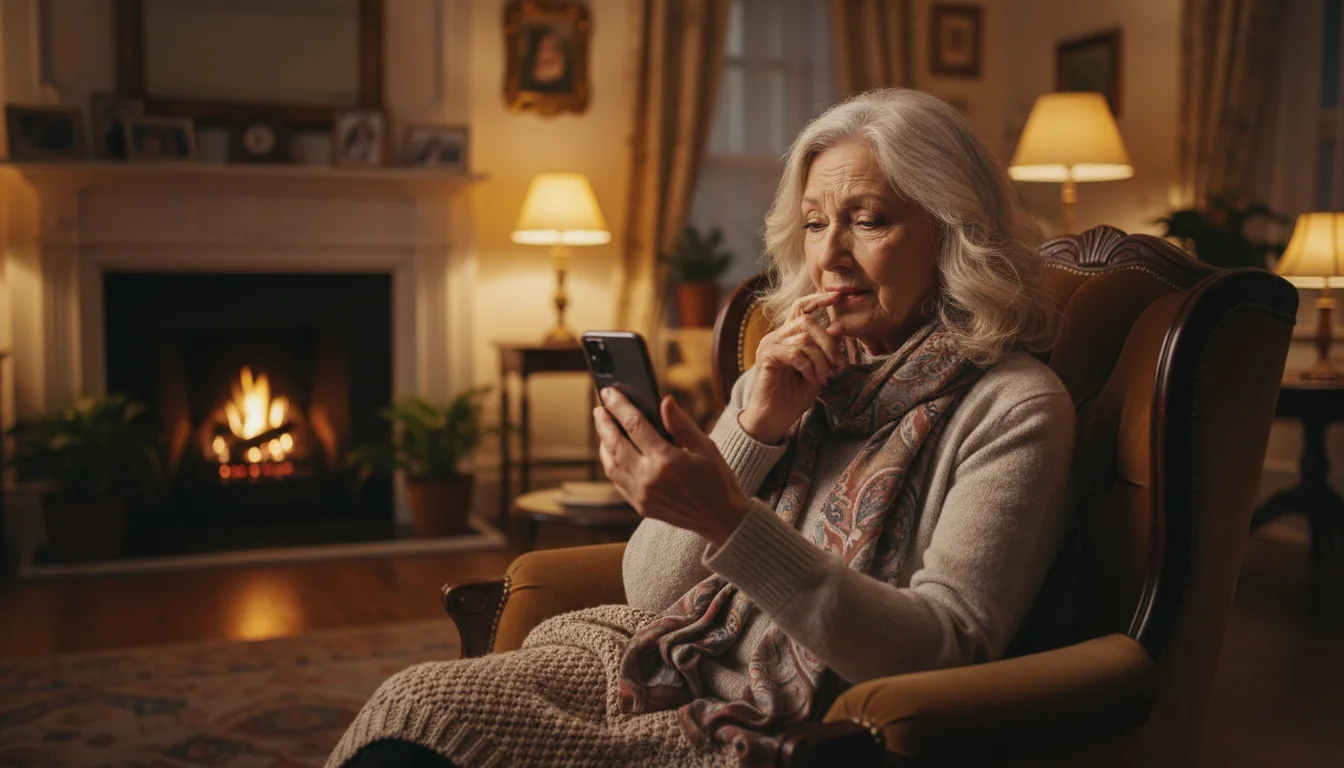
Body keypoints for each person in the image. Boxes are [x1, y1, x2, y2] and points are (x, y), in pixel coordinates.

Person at [327, 88, 1075, 768]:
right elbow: (653, 588)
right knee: (417, 703)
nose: (829, 255)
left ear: (953, 232)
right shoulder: (790, 378)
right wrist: (757, 427)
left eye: (868, 220)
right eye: (815, 223)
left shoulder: (1014, 408)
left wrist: (727, 514)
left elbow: (944, 651)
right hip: (667, 660)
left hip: (801, 723)